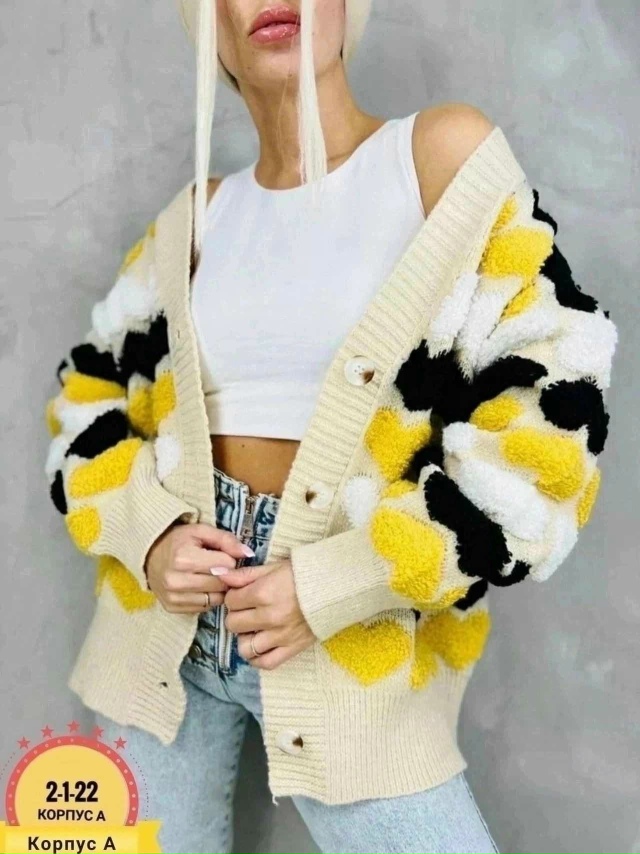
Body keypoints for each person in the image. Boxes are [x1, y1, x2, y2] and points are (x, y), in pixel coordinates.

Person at [44, 1, 618, 852]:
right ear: (211, 24)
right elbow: (85, 398)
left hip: (353, 636)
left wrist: (337, 582)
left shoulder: (438, 156)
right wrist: (151, 534)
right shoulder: (197, 217)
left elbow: (554, 414)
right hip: (159, 637)